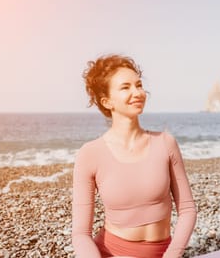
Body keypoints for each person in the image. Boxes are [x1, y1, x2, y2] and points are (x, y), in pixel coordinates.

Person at [72, 54, 197, 258]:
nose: (137, 92)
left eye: (139, 85)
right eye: (125, 87)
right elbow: (80, 234)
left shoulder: (165, 143)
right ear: (107, 101)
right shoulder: (90, 154)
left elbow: (187, 209)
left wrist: (172, 255)